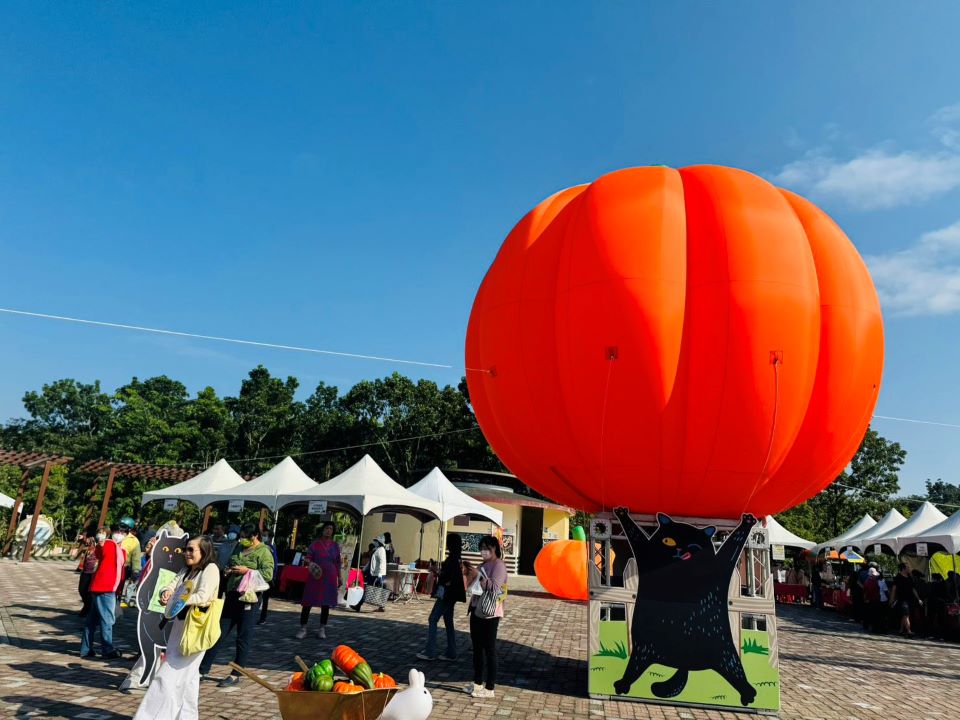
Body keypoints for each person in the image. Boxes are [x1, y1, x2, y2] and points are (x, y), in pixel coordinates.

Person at [132, 536, 220, 720]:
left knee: (166, 676)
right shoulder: (186, 570)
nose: (186, 553)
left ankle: (147, 717)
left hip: (195, 630)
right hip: (179, 627)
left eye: (191, 550)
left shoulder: (210, 569)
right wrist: (167, 593)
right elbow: (171, 585)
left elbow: (204, 597)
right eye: (186, 549)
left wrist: (178, 600)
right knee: (189, 681)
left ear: (204, 551)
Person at [199, 524, 274, 686]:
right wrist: (229, 570)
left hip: (249, 597)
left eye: (246, 537)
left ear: (255, 536)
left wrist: (247, 571)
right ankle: (202, 669)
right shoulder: (238, 547)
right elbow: (231, 562)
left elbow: (268, 574)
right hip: (232, 594)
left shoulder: (264, 551)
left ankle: (236, 673)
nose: (242, 540)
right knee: (218, 632)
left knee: (243, 636)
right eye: (241, 536)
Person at [464, 535, 508, 699]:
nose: (483, 551)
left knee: (489, 649)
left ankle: (490, 688)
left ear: (494, 548)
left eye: (486, 548)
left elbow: (495, 588)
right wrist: (469, 574)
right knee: (476, 649)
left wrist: (479, 576)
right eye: (481, 548)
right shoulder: (482, 565)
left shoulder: (499, 565)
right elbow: (472, 587)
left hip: (490, 613)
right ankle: (477, 683)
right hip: (476, 610)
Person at [418, 532, 466, 661]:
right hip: (451, 595)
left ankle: (430, 651)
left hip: (446, 595)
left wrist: (437, 572)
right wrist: (436, 571)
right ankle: (451, 652)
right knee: (448, 622)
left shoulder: (452, 560)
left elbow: (448, 578)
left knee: (433, 619)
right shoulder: (456, 558)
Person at [80, 526, 125, 659]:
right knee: (107, 620)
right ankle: (107, 649)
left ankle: (86, 649)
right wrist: (102, 542)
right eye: (118, 532)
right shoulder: (109, 544)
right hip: (106, 587)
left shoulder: (115, 548)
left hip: (100, 586)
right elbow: (103, 552)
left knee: (92, 620)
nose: (120, 535)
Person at [297, 522, 342, 639]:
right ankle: (303, 628)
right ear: (322, 530)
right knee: (308, 602)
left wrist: (340, 576)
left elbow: (338, 562)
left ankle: (322, 628)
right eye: (327, 528)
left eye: (331, 529)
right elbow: (308, 558)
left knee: (326, 603)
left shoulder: (335, 546)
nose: (329, 530)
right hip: (315, 576)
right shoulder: (315, 545)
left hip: (330, 578)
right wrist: (309, 562)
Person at [351, 536, 388, 612]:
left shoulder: (381, 550)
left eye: (376, 541)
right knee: (372, 589)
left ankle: (359, 605)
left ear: (379, 542)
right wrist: (364, 569)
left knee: (371, 589)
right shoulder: (375, 549)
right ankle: (381, 606)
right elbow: (371, 561)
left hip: (377, 574)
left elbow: (382, 562)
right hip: (373, 573)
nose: (374, 542)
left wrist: (380, 574)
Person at [890, 562, 923, 637]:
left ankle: (901, 630)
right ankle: (909, 631)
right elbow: (894, 589)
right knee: (906, 614)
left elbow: (913, 589)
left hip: (910, 599)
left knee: (904, 615)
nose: (909, 568)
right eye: (907, 567)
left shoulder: (910, 577)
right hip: (902, 599)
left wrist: (918, 599)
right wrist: (891, 600)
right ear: (903, 569)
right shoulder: (898, 578)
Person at [118, 517, 143, 608]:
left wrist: (136, 570)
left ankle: (115, 608)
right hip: (110, 565)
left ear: (129, 528)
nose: (121, 528)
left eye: (123, 526)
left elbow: (136, 557)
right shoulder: (114, 535)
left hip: (123, 568)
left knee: (118, 589)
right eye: (120, 525)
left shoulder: (134, 540)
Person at [258, 531, 280, 625]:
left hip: (268, 577)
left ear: (270, 537)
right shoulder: (260, 546)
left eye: (265, 536)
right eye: (262, 535)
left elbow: (275, 563)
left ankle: (263, 617)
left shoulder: (271, 548)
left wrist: (273, 576)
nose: (263, 537)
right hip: (258, 575)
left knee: (265, 598)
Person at [77, 526, 98, 617]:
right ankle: (88, 606)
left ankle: (88, 608)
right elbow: (79, 541)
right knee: (82, 590)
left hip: (93, 571)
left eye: (85, 537)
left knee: (87, 591)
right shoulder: (88, 545)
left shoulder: (96, 544)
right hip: (85, 570)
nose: (84, 538)